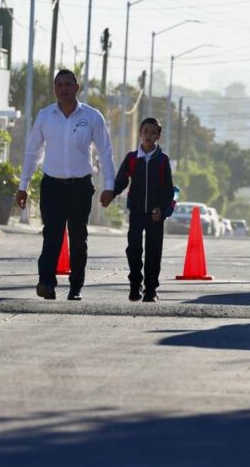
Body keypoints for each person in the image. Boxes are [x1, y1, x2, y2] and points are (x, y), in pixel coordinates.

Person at [16, 69, 115, 301]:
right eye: (59, 85)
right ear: (54, 89)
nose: (63, 89)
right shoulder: (45, 116)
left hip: (80, 187)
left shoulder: (92, 117)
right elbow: (32, 152)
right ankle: (46, 283)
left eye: (68, 85)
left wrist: (109, 186)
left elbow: (105, 152)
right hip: (52, 187)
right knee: (52, 236)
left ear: (77, 87)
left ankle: (75, 287)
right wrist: (23, 185)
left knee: (78, 239)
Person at [110, 117, 175, 303]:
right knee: (133, 249)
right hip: (136, 212)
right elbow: (121, 180)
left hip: (156, 215)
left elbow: (168, 189)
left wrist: (161, 209)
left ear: (158, 136)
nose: (148, 135)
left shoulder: (162, 160)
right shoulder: (132, 158)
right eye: (145, 131)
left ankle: (151, 289)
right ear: (140, 133)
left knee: (154, 252)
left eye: (153, 132)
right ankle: (134, 285)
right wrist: (111, 194)